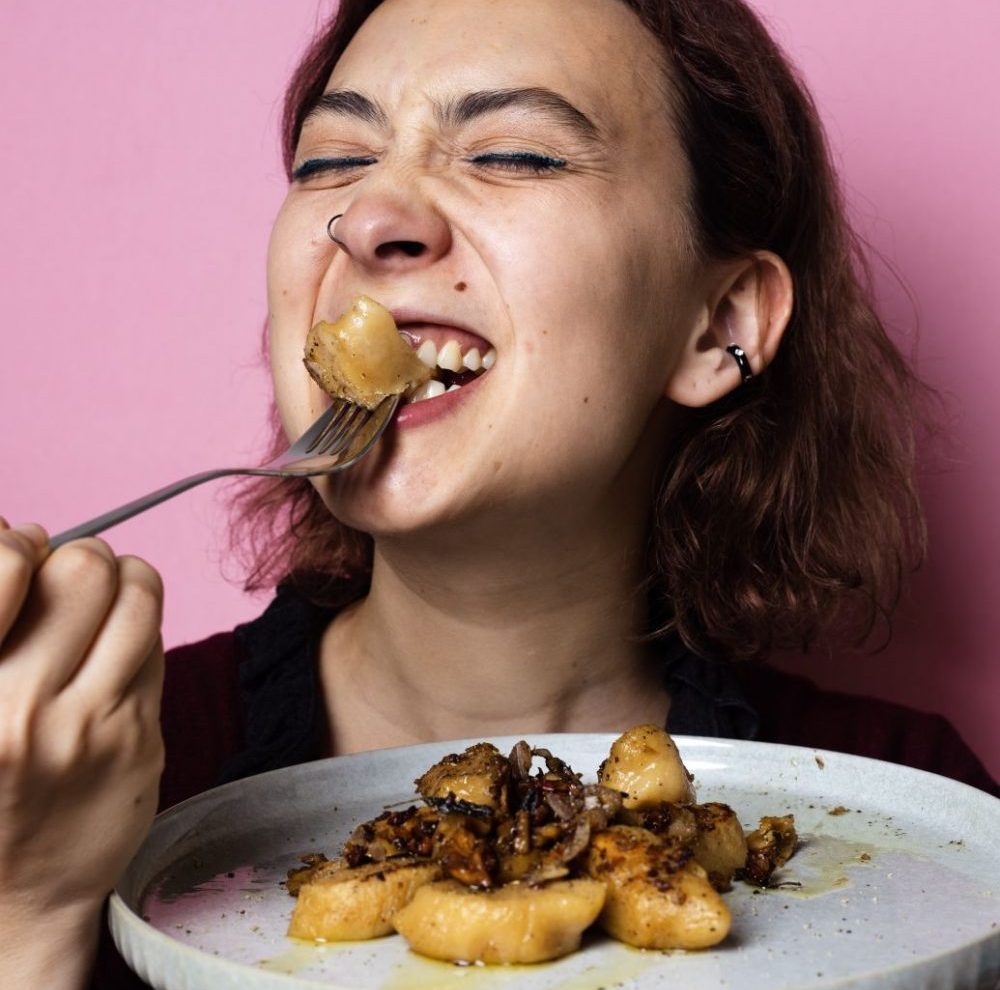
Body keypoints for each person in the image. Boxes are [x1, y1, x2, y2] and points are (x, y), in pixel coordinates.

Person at [1, 0, 995, 986]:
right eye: (330, 162)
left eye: (513, 154)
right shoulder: (76, 775)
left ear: (715, 322)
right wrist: (29, 915)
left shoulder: (925, 826)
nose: (371, 219)